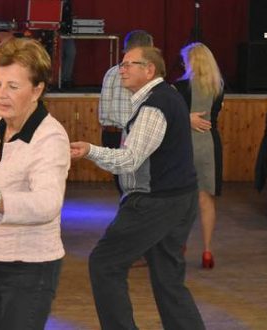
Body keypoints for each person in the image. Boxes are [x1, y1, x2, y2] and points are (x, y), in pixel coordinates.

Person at [71, 46, 205, 330]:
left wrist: (90, 150)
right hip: (179, 198)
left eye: (130, 64)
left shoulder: (155, 105)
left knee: (104, 264)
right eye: (121, 64)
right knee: (168, 277)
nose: (122, 69)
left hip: (155, 202)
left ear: (149, 70)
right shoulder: (167, 96)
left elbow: (129, 160)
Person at [0, 38, 71, 330]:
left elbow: (47, 204)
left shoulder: (50, 137)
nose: (1, 94)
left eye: (13, 86)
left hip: (30, 268)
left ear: (37, 89)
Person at [173, 42, 225, 269]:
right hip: (209, 145)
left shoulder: (180, 86)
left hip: (184, 145)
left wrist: (186, 117)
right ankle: (207, 250)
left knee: (181, 199)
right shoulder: (219, 87)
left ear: (190, 61)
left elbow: (172, 118)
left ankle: (179, 244)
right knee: (206, 199)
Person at [98, 30, 153, 194]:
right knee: (137, 186)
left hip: (110, 134)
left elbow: (104, 109)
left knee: (123, 186)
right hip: (130, 135)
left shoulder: (111, 72)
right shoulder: (144, 73)